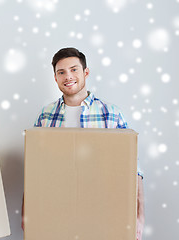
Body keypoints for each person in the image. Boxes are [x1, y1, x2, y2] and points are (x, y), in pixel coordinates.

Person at [22, 47, 145, 240]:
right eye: (61, 72)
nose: (68, 76)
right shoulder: (46, 115)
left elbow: (132, 168)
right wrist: (26, 211)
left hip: (102, 209)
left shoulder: (110, 113)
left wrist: (139, 214)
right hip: (57, 210)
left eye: (74, 69)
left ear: (85, 72)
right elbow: (35, 167)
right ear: (55, 78)